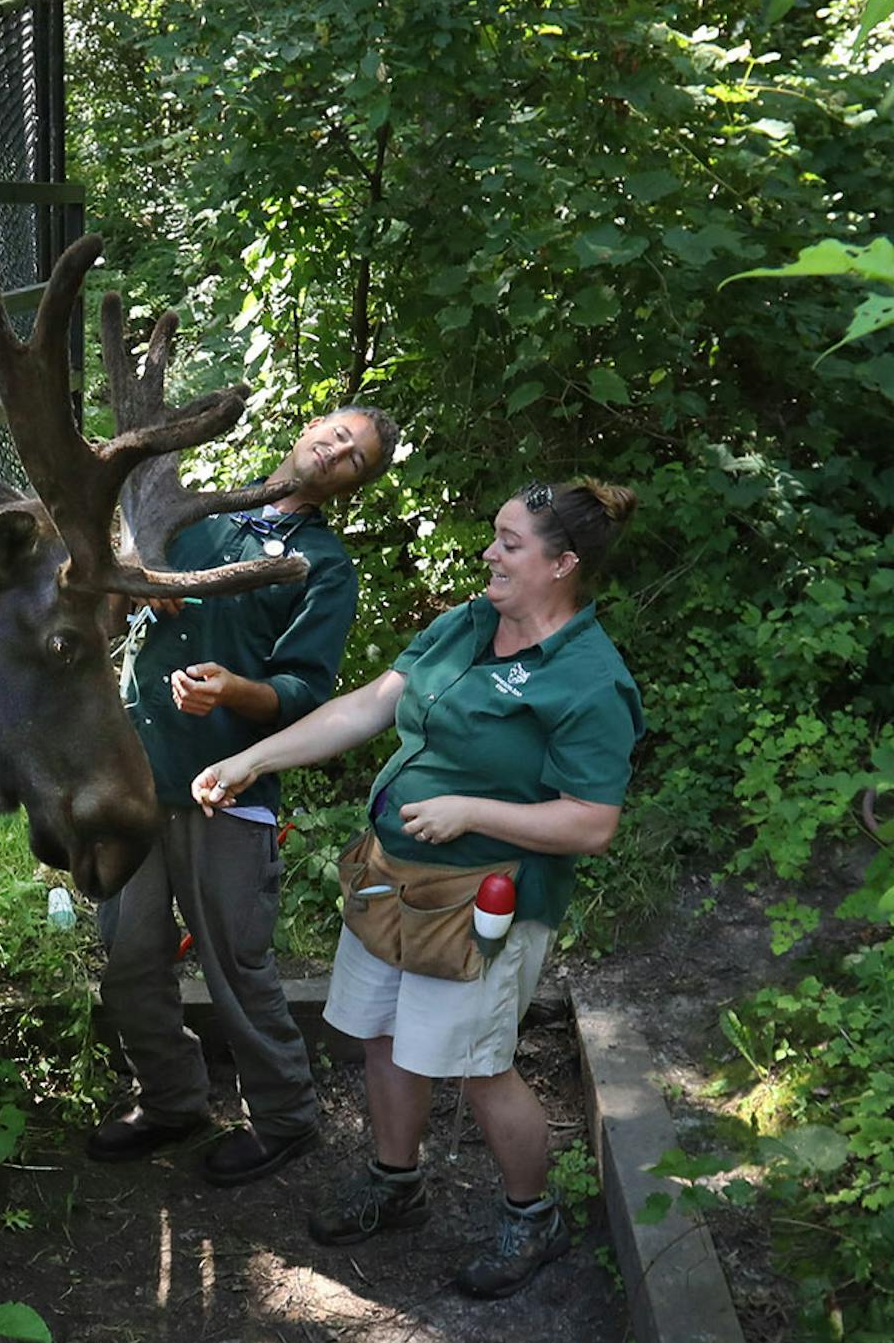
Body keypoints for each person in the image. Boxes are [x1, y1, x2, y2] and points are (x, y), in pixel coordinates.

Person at [191, 480, 642, 1297]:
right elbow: (369, 705)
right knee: (381, 1032)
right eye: (494, 536)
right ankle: (396, 1181)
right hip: (390, 877)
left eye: (510, 543)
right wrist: (251, 760)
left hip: (483, 902)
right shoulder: (470, 623)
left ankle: (530, 1216)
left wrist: (473, 807)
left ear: (564, 563)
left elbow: (592, 822)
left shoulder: (588, 679)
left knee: (477, 1065)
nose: (490, 554)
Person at [89, 404, 399, 1184]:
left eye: (353, 458)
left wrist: (234, 691)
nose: (334, 451)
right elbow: (114, 583)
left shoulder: (324, 564)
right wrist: (139, 584)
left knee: (235, 963)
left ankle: (286, 1116)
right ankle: (169, 1099)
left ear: (354, 486)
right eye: (334, 432)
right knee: (127, 958)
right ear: (307, 428)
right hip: (133, 768)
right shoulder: (204, 510)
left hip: (227, 789)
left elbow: (303, 691)